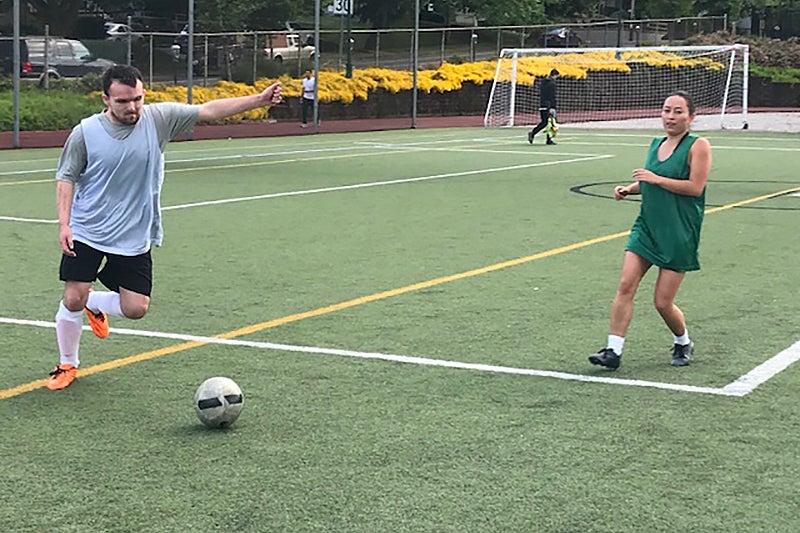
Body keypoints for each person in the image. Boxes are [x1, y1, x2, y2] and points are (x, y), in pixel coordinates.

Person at [47, 64, 282, 391]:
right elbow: (66, 177)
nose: (132, 107)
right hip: (88, 228)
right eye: (123, 101)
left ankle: (95, 303)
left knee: (136, 308)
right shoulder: (85, 132)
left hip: (134, 232)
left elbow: (209, 110)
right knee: (72, 297)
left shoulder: (158, 118)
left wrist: (258, 100)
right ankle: (67, 363)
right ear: (106, 99)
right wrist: (64, 223)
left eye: (138, 99)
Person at [589, 90, 712, 371]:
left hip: (679, 231)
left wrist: (655, 178)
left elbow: (695, 188)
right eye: (667, 110)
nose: (671, 116)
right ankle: (612, 351)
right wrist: (630, 189)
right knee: (625, 285)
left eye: (678, 111)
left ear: (691, 117)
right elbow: (649, 182)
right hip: (647, 226)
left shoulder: (698, 145)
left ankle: (683, 341)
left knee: (662, 302)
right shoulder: (656, 143)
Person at [527, 68, 559, 146]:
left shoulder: (543, 82)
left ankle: (548, 139)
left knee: (548, 123)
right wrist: (552, 107)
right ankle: (533, 133)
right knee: (547, 122)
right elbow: (552, 96)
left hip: (542, 104)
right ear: (554, 75)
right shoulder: (552, 84)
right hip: (548, 105)